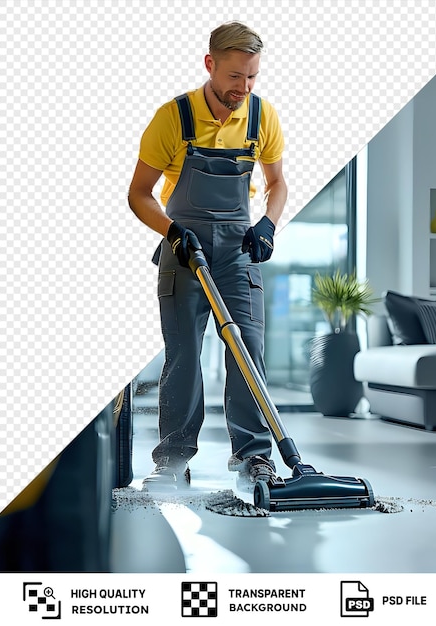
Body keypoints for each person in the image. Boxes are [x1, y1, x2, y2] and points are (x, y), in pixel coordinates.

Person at [128, 21, 287, 491]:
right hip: (185, 250)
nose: (244, 87)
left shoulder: (262, 117)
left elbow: (277, 184)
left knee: (248, 351)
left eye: (253, 76)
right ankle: (173, 459)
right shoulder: (172, 118)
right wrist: (174, 231)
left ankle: (254, 455)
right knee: (184, 355)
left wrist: (268, 225)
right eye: (236, 76)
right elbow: (139, 194)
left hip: (239, 251)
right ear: (210, 64)